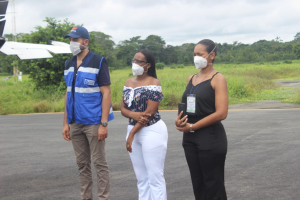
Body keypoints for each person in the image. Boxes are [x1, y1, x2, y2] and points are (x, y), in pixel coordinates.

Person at [61, 26, 114, 200]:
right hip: (75, 123)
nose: (72, 43)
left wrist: (103, 124)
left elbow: (106, 93)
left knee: (100, 164)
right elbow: (69, 94)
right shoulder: (68, 64)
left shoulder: (98, 61)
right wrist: (65, 123)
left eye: (75, 40)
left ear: (86, 42)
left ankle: (103, 197)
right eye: (70, 39)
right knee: (82, 164)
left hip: (94, 122)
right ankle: (86, 197)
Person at [175, 39, 228, 200]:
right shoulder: (191, 78)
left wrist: (193, 126)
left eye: (200, 54)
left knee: (213, 183)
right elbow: (186, 106)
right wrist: (179, 121)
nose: (196, 57)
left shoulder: (218, 79)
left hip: (210, 137)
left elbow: (221, 113)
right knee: (198, 183)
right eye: (194, 54)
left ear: (212, 55)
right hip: (190, 137)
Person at [121, 49, 168, 200]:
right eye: (134, 60)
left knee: (155, 177)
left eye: (139, 61)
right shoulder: (128, 83)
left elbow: (149, 114)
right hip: (133, 129)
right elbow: (122, 109)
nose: (135, 63)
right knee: (141, 178)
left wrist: (132, 134)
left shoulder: (154, 83)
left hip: (151, 131)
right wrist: (133, 115)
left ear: (147, 65)